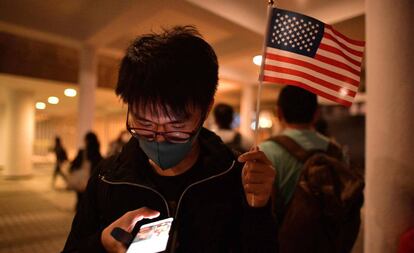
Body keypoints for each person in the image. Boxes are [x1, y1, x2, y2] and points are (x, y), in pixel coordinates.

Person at [62, 26, 277, 253]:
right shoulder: (108, 177)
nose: (158, 139)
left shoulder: (235, 176)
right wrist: (102, 243)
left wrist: (259, 209)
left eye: (176, 126)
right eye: (144, 123)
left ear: (206, 110)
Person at [259, 85, 363, 253]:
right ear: (316, 114)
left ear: (279, 113)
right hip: (329, 243)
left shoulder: (265, 151)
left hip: (285, 244)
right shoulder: (336, 151)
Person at [69, 131, 103, 212]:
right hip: (92, 179)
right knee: (89, 198)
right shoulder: (97, 153)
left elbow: (75, 164)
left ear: (87, 140)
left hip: (81, 179)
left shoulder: (82, 152)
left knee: (80, 197)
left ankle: (79, 211)